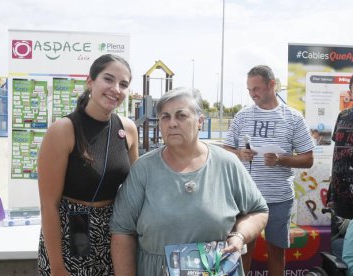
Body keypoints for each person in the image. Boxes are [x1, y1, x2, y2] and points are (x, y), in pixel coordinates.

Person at [110, 87, 269, 276]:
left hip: (215, 269)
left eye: (181, 115)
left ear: (200, 121)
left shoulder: (227, 163)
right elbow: (122, 230)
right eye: (165, 117)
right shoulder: (143, 169)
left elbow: (258, 211)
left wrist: (240, 236)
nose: (172, 123)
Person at [37, 54, 139, 276]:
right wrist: (57, 268)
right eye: (108, 79)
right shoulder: (63, 130)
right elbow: (48, 205)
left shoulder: (128, 129)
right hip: (69, 233)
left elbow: (137, 189)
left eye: (123, 84)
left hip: (114, 234)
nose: (116, 89)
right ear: (90, 81)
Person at [223, 65, 314, 275]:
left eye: (256, 88)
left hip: (279, 198)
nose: (252, 94)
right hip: (246, 197)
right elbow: (226, 149)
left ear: (272, 84)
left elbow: (308, 159)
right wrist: (239, 154)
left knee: (276, 251)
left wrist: (280, 160)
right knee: (242, 250)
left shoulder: (293, 117)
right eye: (249, 90)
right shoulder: (242, 116)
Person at [326, 105, 353, 275]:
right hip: (343, 198)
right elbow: (338, 156)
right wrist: (332, 192)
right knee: (347, 255)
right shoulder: (343, 115)